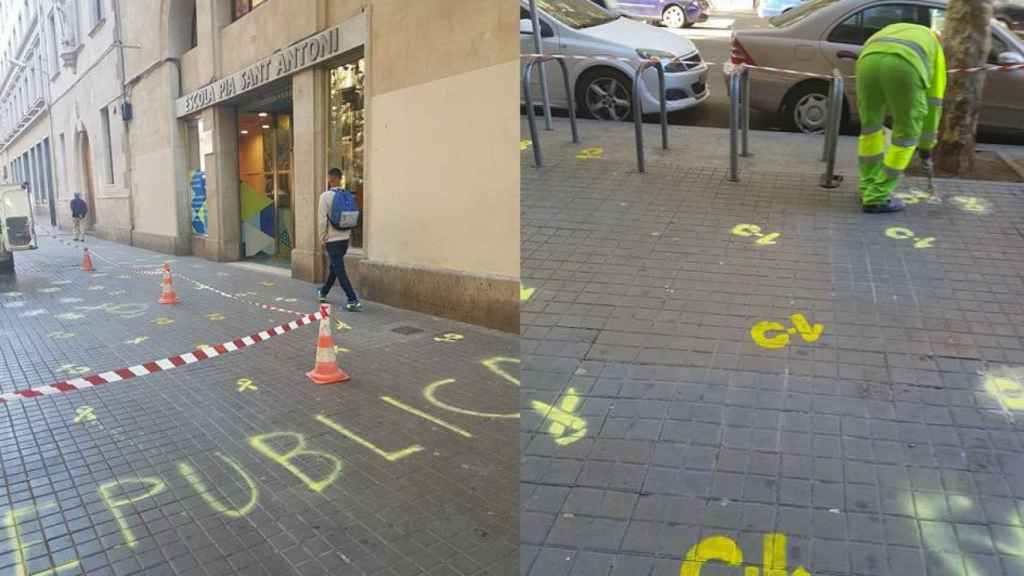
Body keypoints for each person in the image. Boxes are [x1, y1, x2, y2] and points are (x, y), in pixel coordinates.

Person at [855, 22, 946, 213]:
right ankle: (877, 196)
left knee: (870, 128)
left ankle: (867, 187)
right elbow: (934, 101)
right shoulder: (935, 48)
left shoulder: (900, 28)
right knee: (905, 135)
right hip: (904, 66)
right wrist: (926, 148)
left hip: (867, 61)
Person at [317, 167, 362, 311]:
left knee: (339, 269)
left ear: (330, 179)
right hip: (345, 239)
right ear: (341, 178)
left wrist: (322, 237)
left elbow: (322, 220)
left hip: (332, 239)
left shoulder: (325, 196)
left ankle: (352, 299)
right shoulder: (348, 195)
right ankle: (323, 292)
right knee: (334, 267)